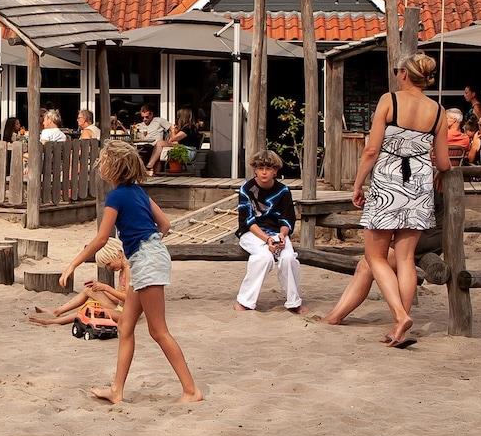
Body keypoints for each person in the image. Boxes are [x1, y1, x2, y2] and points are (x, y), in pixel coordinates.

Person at [59, 139, 203, 405]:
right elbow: (165, 224)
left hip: (146, 260)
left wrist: (73, 263)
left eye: (103, 161)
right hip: (149, 257)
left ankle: (191, 390)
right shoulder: (139, 192)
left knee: (158, 331)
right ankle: (117, 390)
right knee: (125, 325)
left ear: (113, 167)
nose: (100, 166)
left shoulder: (116, 196)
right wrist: (148, 244)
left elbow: (102, 238)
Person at [347, 54, 454, 348]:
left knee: (375, 256)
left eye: (398, 70)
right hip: (419, 183)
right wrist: (441, 174)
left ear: (405, 74)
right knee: (405, 258)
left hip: (388, 181)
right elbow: (444, 162)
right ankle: (400, 329)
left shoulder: (389, 100)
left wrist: (358, 183)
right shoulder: (438, 111)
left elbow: (371, 150)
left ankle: (399, 314)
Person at [234, 150, 302, 312]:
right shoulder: (247, 189)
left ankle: (294, 302)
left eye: (268, 168)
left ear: (275, 171)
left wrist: (282, 236)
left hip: (276, 232)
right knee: (263, 257)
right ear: (255, 170)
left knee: (288, 258)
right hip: (252, 233)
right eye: (260, 168)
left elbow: (287, 219)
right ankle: (245, 301)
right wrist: (267, 240)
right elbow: (248, 221)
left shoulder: (283, 191)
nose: (264, 172)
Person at [27, 241, 129, 325]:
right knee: (89, 290)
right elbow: (118, 299)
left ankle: (53, 322)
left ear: (119, 255)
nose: (109, 268)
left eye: (109, 264)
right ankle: (57, 311)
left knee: (89, 310)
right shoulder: (122, 271)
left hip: (126, 314)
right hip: (120, 308)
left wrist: (106, 288)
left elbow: (129, 299)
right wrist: (100, 288)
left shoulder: (129, 271)